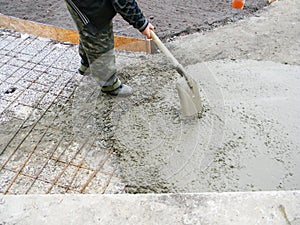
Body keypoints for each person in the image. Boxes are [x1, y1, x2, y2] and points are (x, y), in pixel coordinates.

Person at [65, 0, 154, 96]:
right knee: (99, 38)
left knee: (89, 32)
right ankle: (108, 84)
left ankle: (87, 64)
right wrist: (141, 23)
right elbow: (123, 2)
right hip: (86, 5)